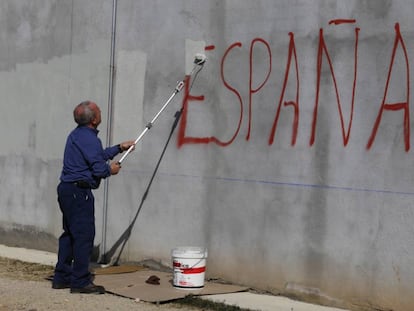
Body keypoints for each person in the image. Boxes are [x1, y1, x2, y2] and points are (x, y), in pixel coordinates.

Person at [52, 100, 135, 294]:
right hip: (78, 193)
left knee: (70, 234)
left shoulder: (78, 135)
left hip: (67, 190)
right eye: (99, 111)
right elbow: (99, 168)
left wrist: (119, 148)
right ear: (95, 119)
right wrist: (110, 170)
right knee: (83, 236)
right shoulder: (90, 139)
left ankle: (62, 276)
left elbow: (96, 156)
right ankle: (80, 281)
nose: (101, 113)